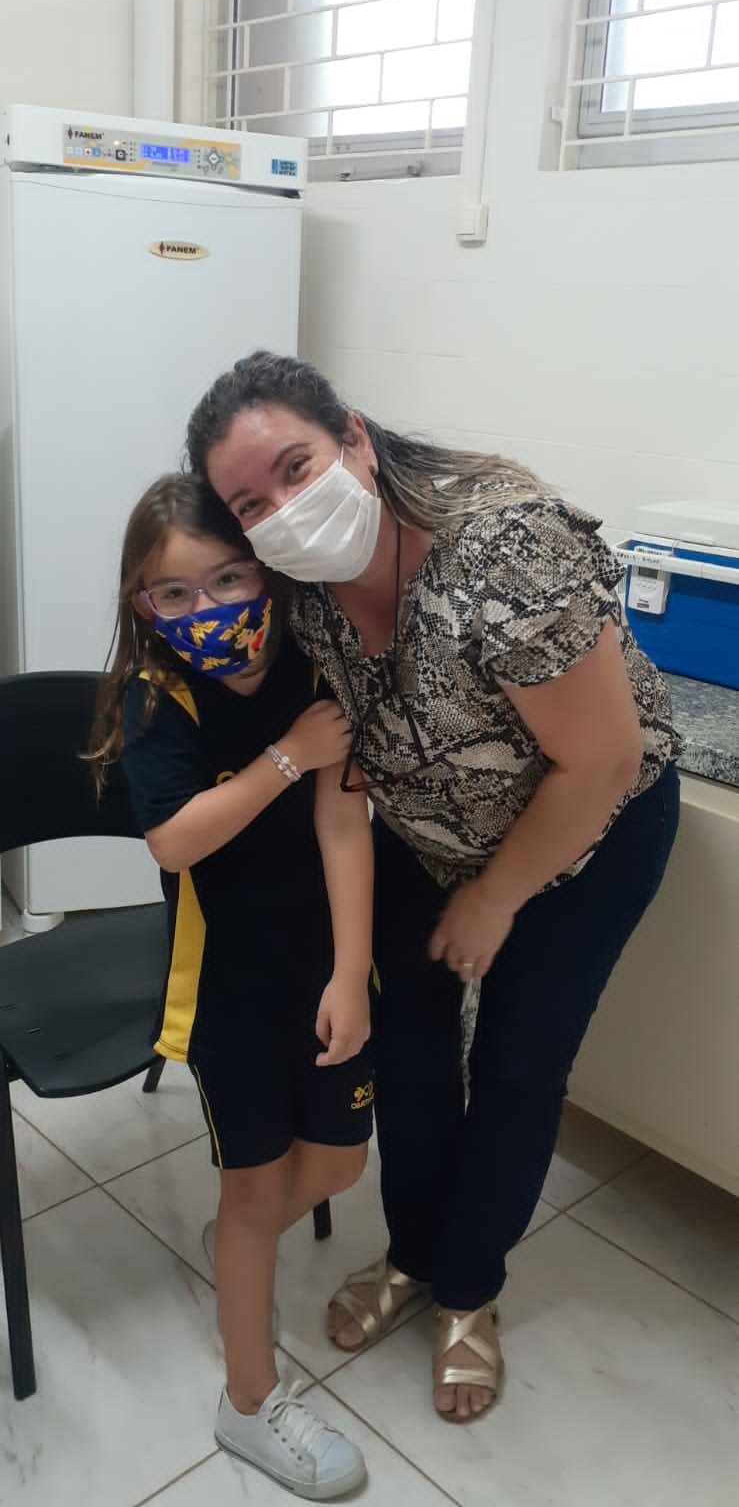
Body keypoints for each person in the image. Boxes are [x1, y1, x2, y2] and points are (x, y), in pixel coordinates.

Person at [185, 352, 682, 1425]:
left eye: (295, 467)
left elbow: (600, 761)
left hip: (584, 837)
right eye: (250, 503)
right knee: (404, 1055)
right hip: (426, 835)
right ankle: (413, 1254)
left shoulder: (505, 548)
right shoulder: (298, 590)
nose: (282, 510)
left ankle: (468, 1289)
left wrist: (494, 900)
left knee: (514, 1066)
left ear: (355, 440)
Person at [88, 473, 373, 1499]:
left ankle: (239, 1240)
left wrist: (351, 971)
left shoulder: (314, 662)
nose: (206, 609)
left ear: (266, 572)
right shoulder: (157, 697)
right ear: (143, 604)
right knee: (252, 1190)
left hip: (322, 971)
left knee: (338, 1163)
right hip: (227, 993)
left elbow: (344, 822)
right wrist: (288, 756)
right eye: (175, 593)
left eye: (227, 579)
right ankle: (248, 1403)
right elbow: (174, 840)